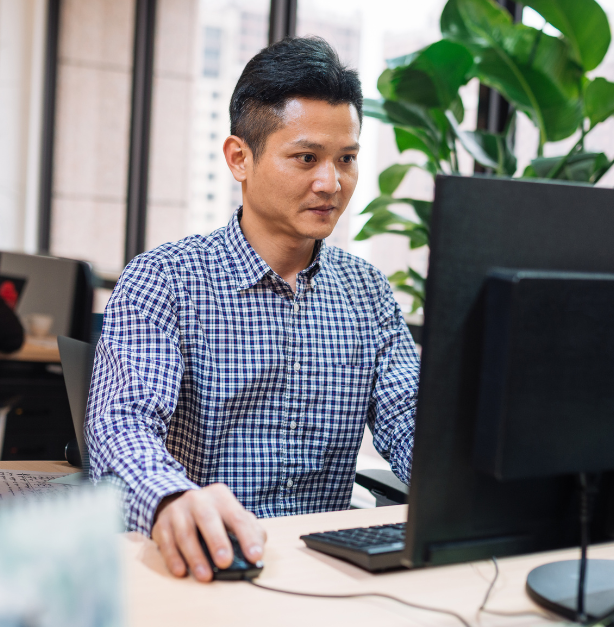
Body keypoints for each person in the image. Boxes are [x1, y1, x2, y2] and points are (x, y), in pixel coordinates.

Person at [85, 37, 418, 583]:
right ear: (240, 158)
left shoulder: (368, 292)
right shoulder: (165, 280)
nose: (331, 184)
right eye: (306, 158)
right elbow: (123, 425)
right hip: (203, 563)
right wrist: (170, 500)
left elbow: (409, 419)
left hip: (322, 570)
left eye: (347, 160)